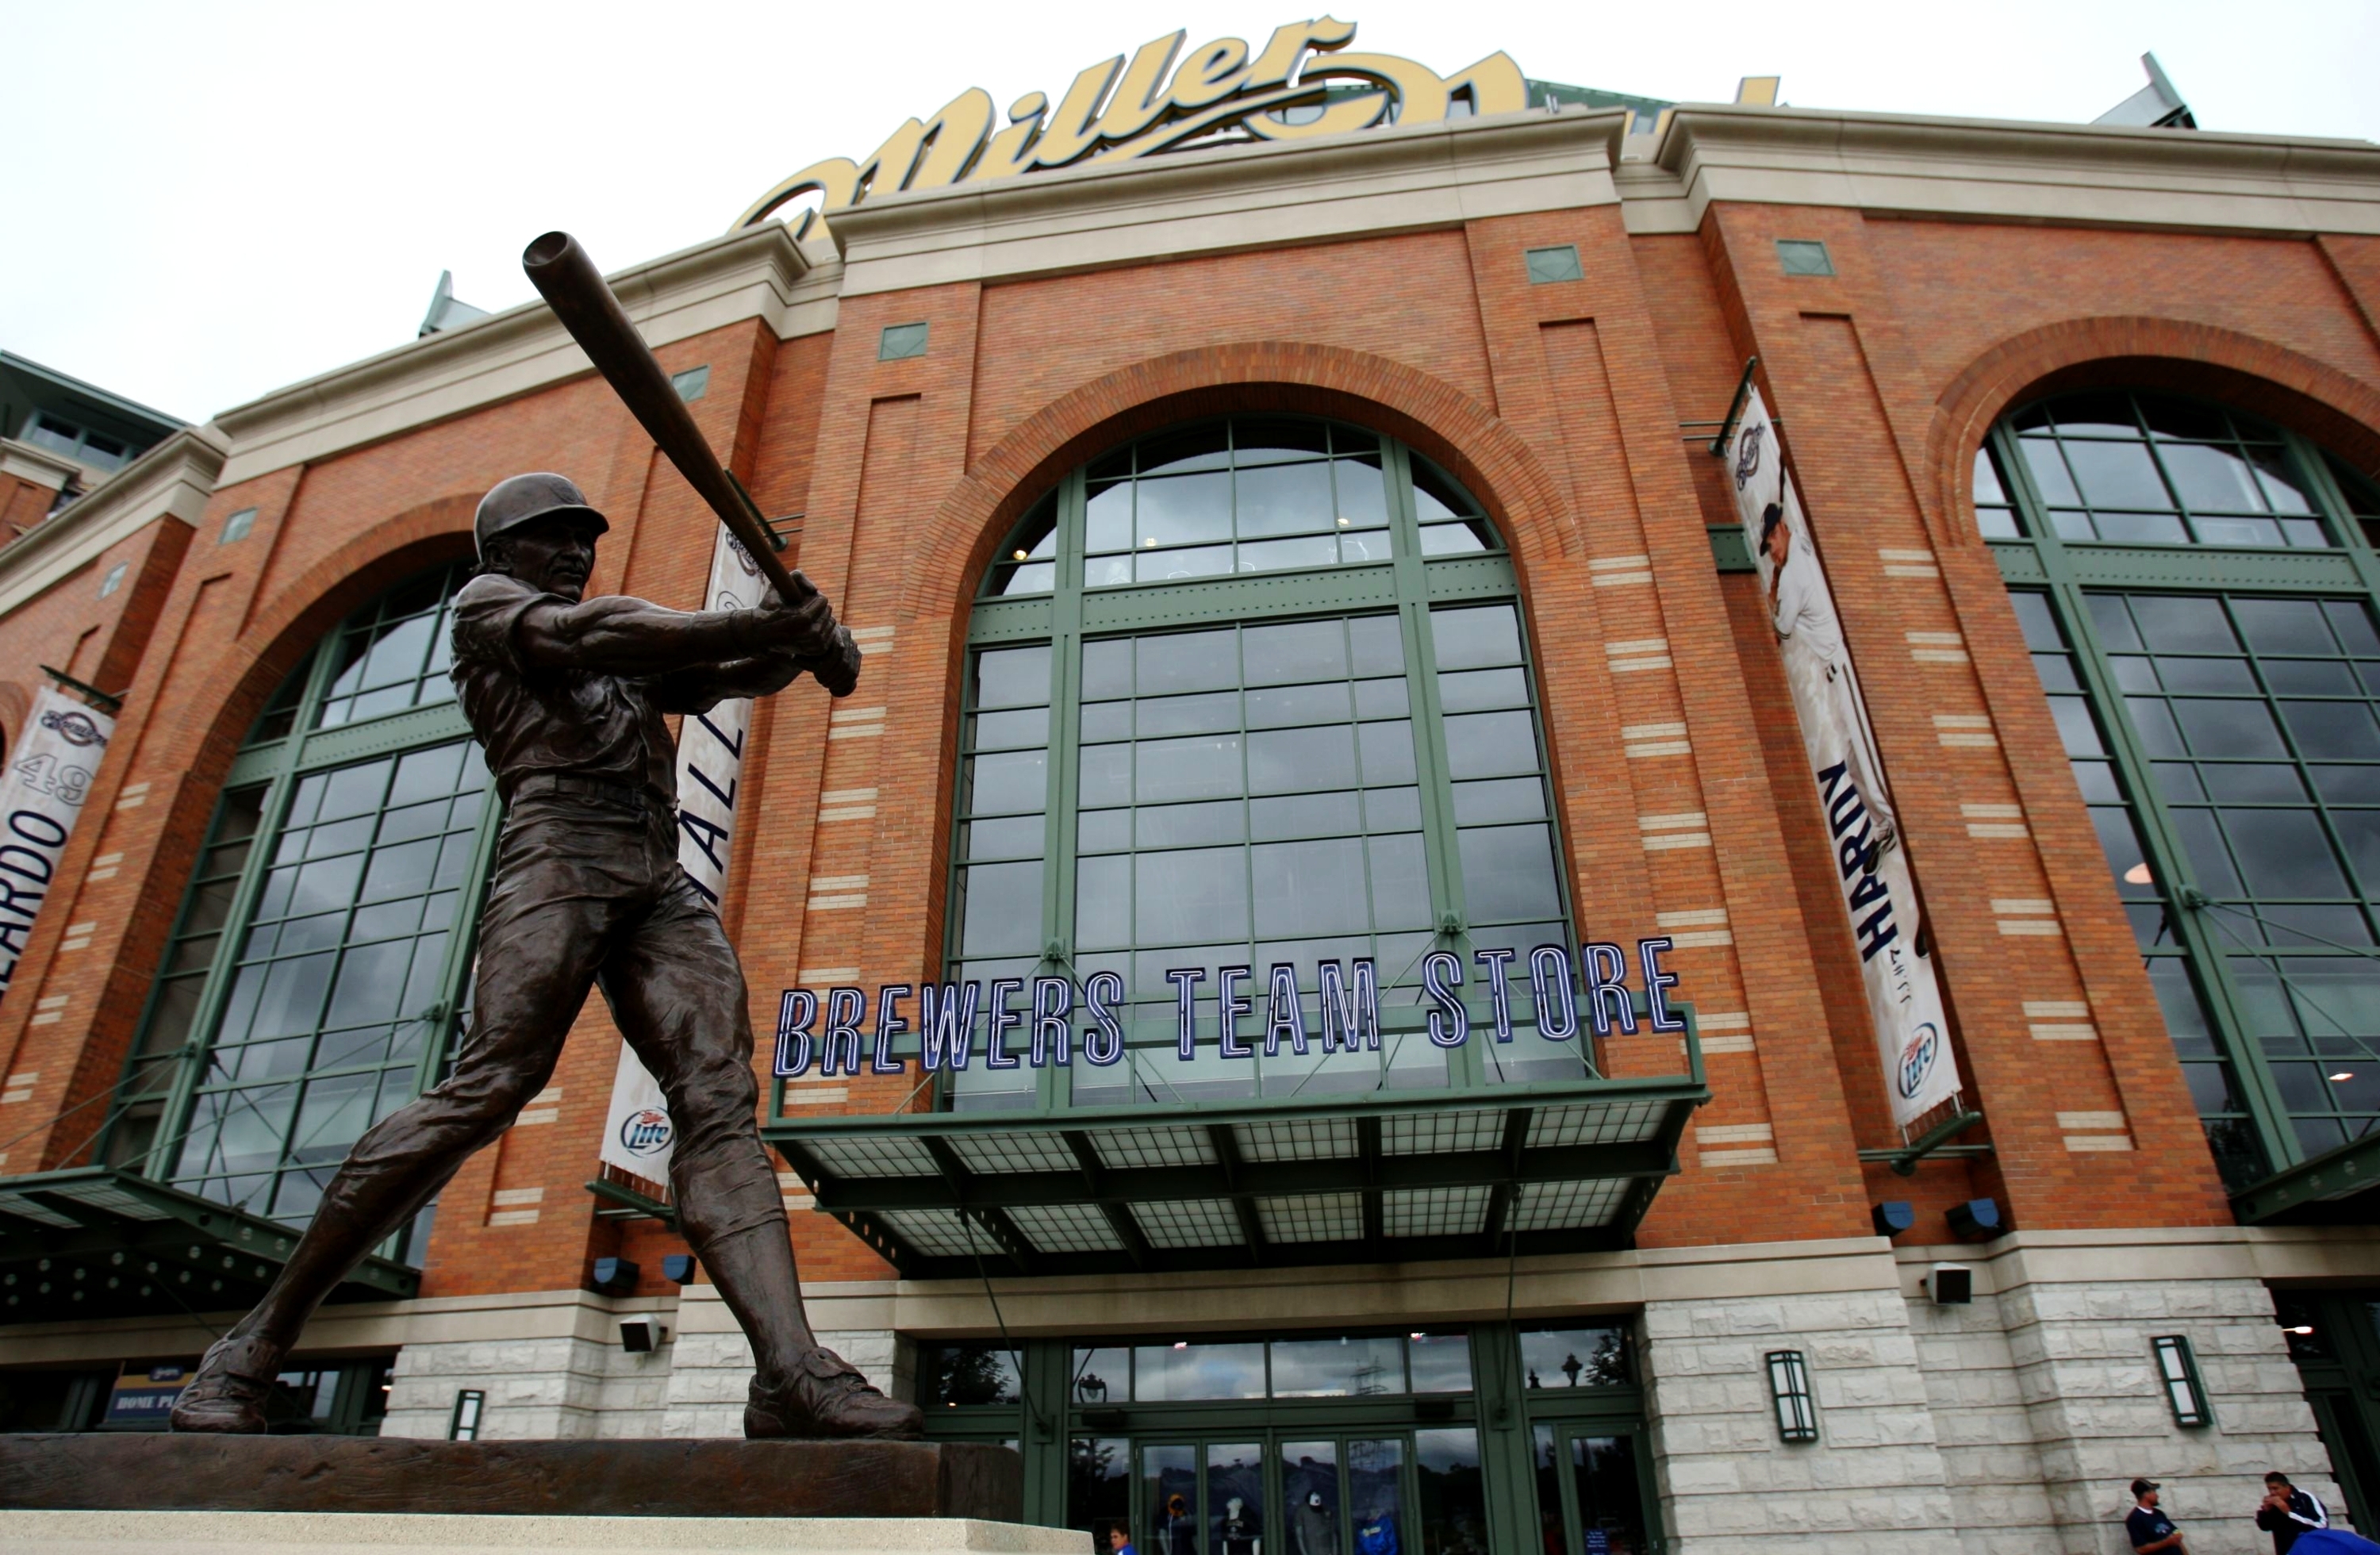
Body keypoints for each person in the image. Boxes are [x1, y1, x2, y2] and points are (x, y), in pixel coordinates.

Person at [171, 472, 918, 1440]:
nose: (571, 550)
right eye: (548, 536)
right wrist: (765, 628)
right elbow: (601, 636)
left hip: (656, 865)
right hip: (559, 848)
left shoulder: (619, 640)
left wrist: (799, 643)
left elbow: (713, 677)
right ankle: (252, 1348)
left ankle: (788, 1371)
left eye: (581, 537)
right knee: (495, 1082)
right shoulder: (492, 610)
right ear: (502, 550)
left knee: (719, 1097)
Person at [2258, 1471, 2329, 1553]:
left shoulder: (2304, 1498)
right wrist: (2266, 1512)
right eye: (2269, 1489)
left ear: (2287, 1487)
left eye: (2275, 1488)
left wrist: (2290, 1512)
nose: (2272, 1493)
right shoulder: (2274, 1504)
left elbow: (2322, 1525)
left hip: (2311, 1550)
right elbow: (2265, 1527)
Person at [2129, 1479, 2187, 1553]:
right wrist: (2166, 1543)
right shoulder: (2135, 1519)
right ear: (2146, 1494)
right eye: (2154, 1491)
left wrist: (2178, 1535)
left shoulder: (2159, 1513)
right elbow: (2140, 1549)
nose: (2157, 1495)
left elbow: (2175, 1533)